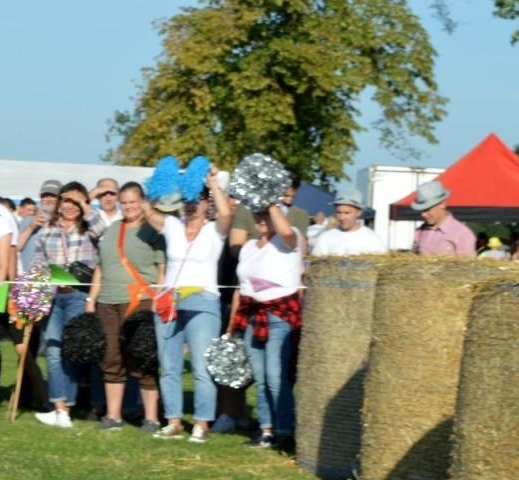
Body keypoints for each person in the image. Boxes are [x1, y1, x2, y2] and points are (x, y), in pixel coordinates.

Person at [144, 170, 234, 442]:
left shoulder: (213, 231)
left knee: (200, 365)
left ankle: (201, 423)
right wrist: (160, 185)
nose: (192, 203)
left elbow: (227, 214)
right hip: (170, 300)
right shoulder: (171, 226)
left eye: (198, 198)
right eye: (187, 198)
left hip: (203, 300)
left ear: (207, 202)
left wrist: (213, 185)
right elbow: (148, 210)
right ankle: (173, 421)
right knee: (169, 365)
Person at [87, 182, 164, 431]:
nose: (129, 206)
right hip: (107, 301)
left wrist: (158, 300)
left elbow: (162, 269)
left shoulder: (154, 230)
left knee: (141, 358)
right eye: (125, 202)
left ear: (142, 201)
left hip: (139, 300)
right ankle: (113, 416)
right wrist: (91, 300)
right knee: (111, 357)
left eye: (133, 201)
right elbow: (100, 267)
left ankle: (151, 417)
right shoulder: (112, 230)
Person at [231, 204, 303, 451]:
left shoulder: (290, 237)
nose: (261, 219)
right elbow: (241, 289)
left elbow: (284, 231)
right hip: (252, 314)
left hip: (279, 313)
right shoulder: (249, 246)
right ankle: (267, 430)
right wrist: (233, 324)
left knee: (276, 375)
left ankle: (286, 429)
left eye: (266, 214)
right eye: (257, 215)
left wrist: (271, 203)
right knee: (260, 377)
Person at [33, 182, 101, 429]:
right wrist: (36, 292)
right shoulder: (47, 231)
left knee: (70, 352)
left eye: (76, 203)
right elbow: (39, 263)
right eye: (67, 202)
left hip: (78, 295)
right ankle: (59, 407)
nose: (70, 207)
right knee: (52, 350)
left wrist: (85, 203)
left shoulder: (89, 230)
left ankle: (67, 408)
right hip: (53, 297)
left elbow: (104, 231)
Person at [309, 190, 385, 256]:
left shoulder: (372, 239)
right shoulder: (325, 238)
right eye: (339, 212)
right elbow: (316, 266)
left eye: (347, 213)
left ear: (359, 212)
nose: (342, 217)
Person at [409, 180, 475, 257]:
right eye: (422, 210)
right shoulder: (420, 231)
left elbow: (467, 266)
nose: (423, 214)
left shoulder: (463, 234)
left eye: (427, 209)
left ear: (442, 204)